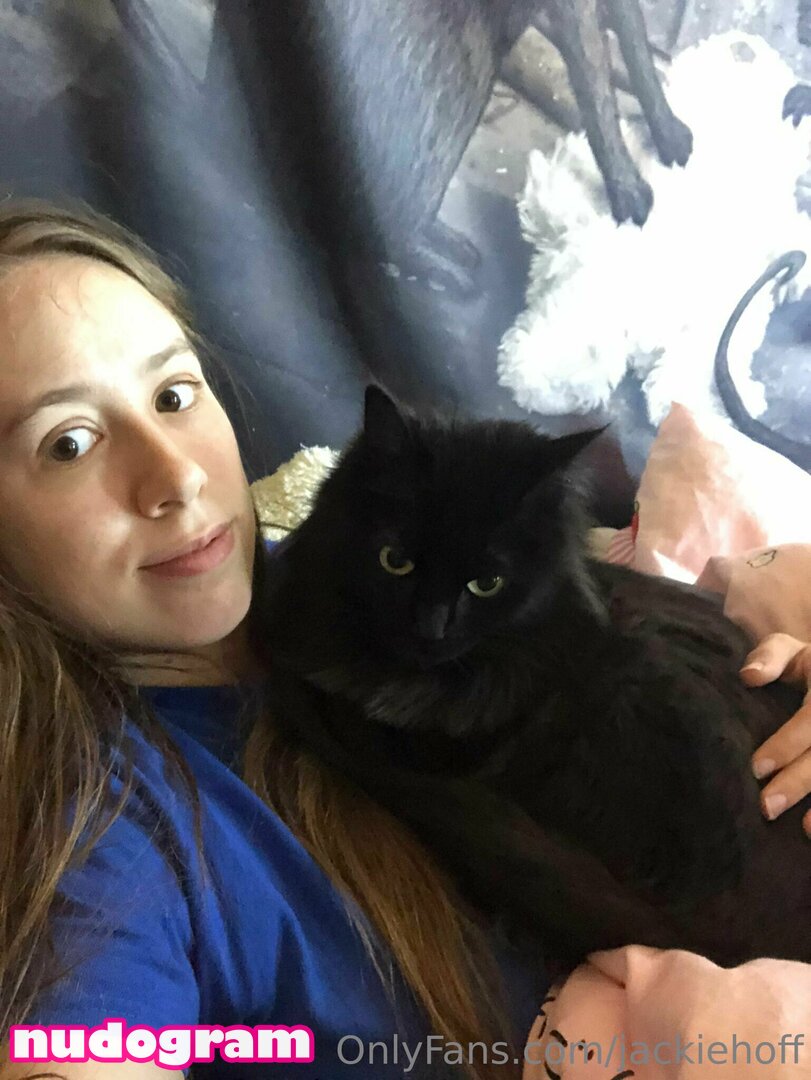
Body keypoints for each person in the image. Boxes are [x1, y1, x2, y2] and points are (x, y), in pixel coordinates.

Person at [0, 202, 807, 1080]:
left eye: (172, 394)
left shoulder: (358, 551)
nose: (178, 475)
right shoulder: (91, 824)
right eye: (68, 443)